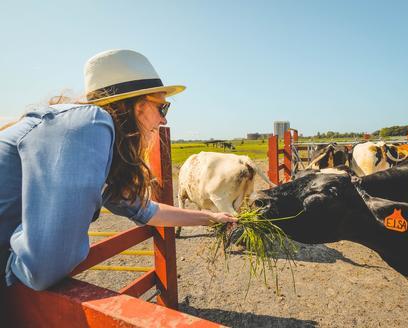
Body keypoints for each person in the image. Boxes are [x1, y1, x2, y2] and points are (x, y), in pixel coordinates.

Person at [0, 49, 237, 291]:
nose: (164, 120)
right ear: (137, 106)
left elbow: (147, 210)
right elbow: (44, 267)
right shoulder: (90, 123)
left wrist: (212, 218)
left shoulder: (91, 137)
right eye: (162, 108)